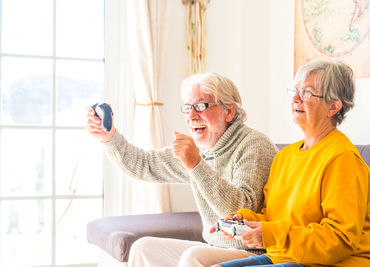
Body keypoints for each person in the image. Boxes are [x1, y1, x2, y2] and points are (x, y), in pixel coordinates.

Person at [86, 72, 278, 267]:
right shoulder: (202, 150)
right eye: (187, 108)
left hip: (253, 252)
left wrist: (195, 164)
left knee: (193, 257)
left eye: (201, 106)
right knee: (143, 248)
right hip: (214, 247)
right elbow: (144, 164)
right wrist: (108, 137)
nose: (192, 116)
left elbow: (241, 211)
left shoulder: (254, 145)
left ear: (229, 111)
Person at [209, 59, 370, 267]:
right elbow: (273, 217)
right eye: (295, 91)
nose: (296, 99)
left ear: (333, 107)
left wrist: (271, 235)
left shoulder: (343, 159)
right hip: (286, 258)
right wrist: (243, 221)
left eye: (306, 93)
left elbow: (340, 240)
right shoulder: (284, 157)